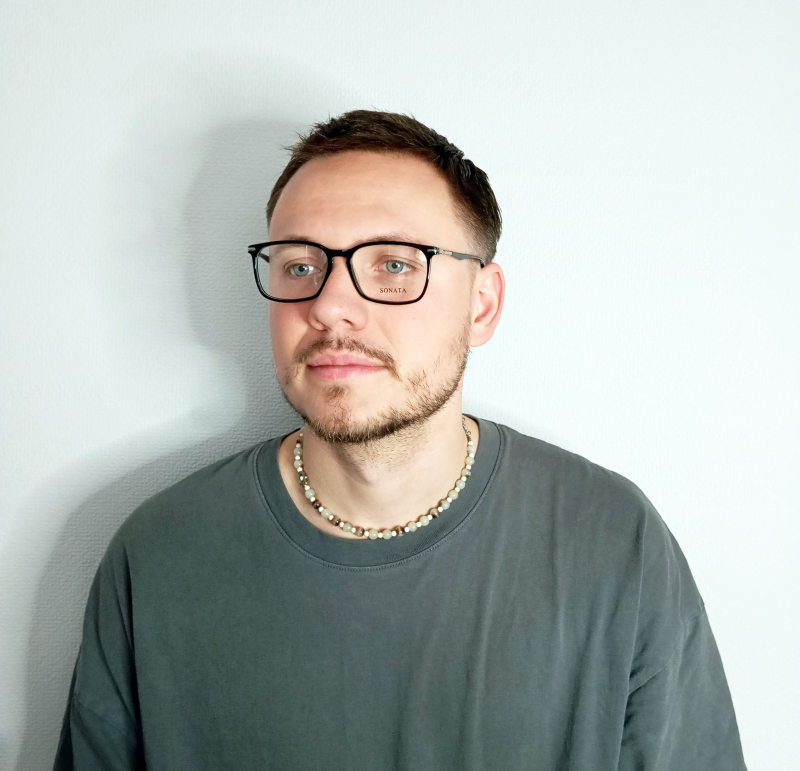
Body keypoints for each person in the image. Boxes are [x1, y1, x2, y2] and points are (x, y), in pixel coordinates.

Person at [54, 110, 747, 770]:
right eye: (300, 266)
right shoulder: (160, 555)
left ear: (481, 305)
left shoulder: (613, 541)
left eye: (393, 265)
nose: (329, 306)